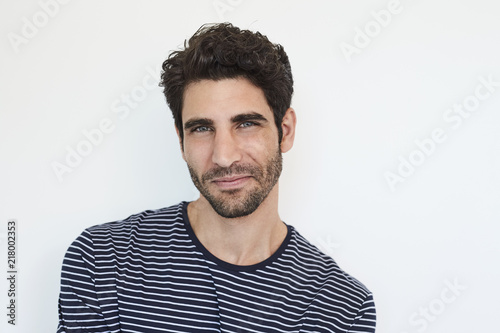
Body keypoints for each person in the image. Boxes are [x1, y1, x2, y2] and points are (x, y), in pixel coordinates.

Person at [57, 23, 376, 332]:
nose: (224, 156)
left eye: (247, 124)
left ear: (285, 131)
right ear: (181, 141)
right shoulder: (102, 262)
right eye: (202, 128)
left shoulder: (342, 308)